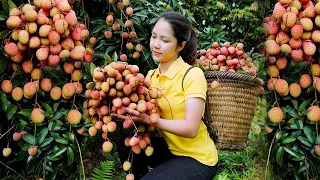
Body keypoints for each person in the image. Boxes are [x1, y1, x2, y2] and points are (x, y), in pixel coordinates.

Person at [112, 11, 218, 180]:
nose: (156, 44)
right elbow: (146, 117)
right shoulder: (150, 77)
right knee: (126, 145)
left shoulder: (192, 75)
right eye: (154, 37)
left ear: (181, 46)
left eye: (165, 40)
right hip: (171, 150)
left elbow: (191, 129)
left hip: (198, 158)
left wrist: (148, 120)